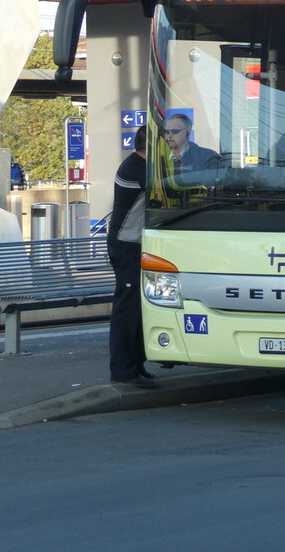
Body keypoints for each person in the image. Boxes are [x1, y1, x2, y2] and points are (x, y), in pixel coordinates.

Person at [107, 126, 156, 388]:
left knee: (138, 308)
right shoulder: (138, 169)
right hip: (127, 246)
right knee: (126, 309)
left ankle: (136, 364)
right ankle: (123, 371)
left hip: (135, 244)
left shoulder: (138, 164)